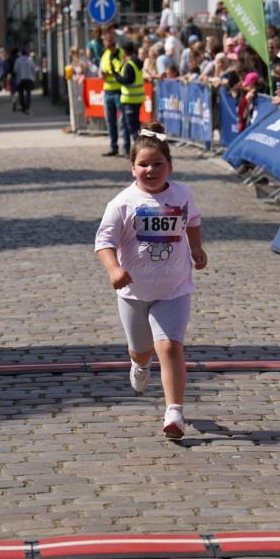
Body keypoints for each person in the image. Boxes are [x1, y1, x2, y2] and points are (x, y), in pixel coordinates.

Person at [95, 122, 207, 439]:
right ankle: (140, 365)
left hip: (174, 288)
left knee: (170, 347)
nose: (151, 169)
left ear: (170, 166)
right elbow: (103, 242)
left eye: (158, 164)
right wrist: (114, 270)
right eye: (143, 164)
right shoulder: (122, 203)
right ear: (132, 168)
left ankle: (174, 412)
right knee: (141, 350)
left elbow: (193, 220)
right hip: (133, 292)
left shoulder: (183, 194)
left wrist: (196, 248)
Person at [100, 27, 127, 157]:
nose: (107, 43)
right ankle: (113, 147)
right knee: (109, 121)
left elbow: (119, 70)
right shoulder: (105, 55)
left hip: (118, 91)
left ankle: (126, 148)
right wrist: (107, 74)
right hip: (107, 92)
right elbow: (102, 71)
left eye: (108, 40)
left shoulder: (121, 53)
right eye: (105, 41)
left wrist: (109, 73)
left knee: (122, 121)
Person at [114, 41, 145, 144]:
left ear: (124, 52)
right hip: (136, 98)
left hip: (130, 99)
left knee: (132, 127)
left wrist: (116, 76)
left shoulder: (130, 65)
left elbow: (127, 80)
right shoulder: (136, 62)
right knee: (135, 125)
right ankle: (138, 148)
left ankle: (140, 149)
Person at [14, 48, 37, 114]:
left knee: (21, 94)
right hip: (29, 79)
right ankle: (27, 107)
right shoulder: (30, 60)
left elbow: (15, 70)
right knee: (28, 94)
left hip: (20, 79)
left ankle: (23, 107)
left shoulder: (18, 60)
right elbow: (33, 69)